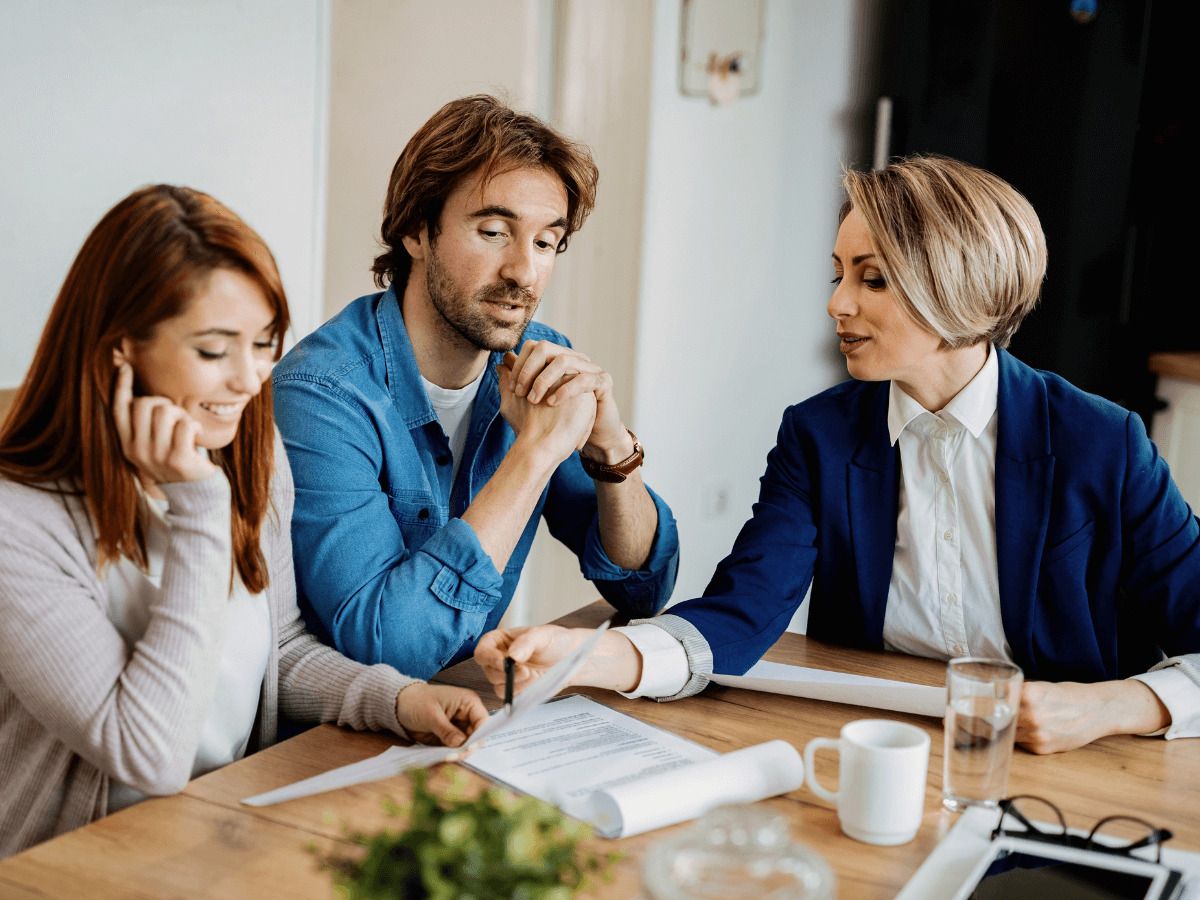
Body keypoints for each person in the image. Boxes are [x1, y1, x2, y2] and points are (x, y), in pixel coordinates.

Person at [475, 155, 1200, 754]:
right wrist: (585, 658)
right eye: (839, 273)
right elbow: (742, 610)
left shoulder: (1101, 442)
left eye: (873, 278)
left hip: (1065, 771)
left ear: (961, 287)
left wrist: (1117, 705)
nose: (837, 303)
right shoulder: (818, 436)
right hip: (867, 749)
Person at [0, 185, 488, 859]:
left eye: (262, 344)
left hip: (218, 834)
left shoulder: (251, 459)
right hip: (71, 866)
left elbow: (277, 649)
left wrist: (398, 700)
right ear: (120, 352)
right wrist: (201, 510)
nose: (249, 379)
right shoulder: (18, 523)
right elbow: (149, 757)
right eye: (213, 350)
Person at [272, 95, 679, 680]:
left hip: (468, 717)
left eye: (545, 243)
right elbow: (388, 649)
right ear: (416, 231)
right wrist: (535, 454)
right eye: (494, 232)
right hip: (328, 743)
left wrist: (612, 451)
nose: (524, 272)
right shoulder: (321, 395)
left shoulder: (533, 359)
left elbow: (642, 586)